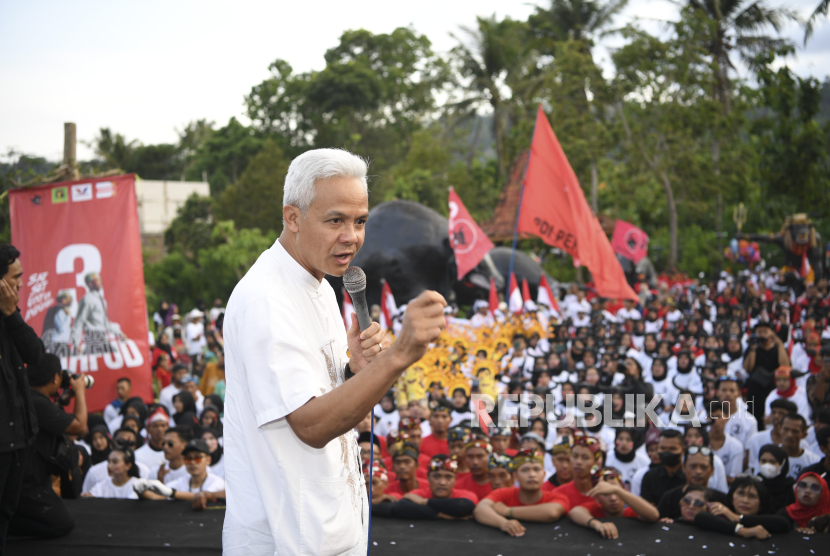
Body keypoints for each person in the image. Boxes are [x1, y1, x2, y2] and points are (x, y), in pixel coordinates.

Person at [222, 148, 446, 556]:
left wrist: (352, 371)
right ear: (293, 218)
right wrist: (398, 355)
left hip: (329, 526)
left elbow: (320, 394)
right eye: (335, 221)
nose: (352, 237)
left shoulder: (322, 285)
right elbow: (309, 426)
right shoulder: (266, 299)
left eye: (360, 221)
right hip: (287, 540)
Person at [8, 354, 85, 540]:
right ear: (55, 378)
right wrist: (81, 392)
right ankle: (8, 526)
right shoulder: (37, 402)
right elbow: (80, 427)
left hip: (23, 477)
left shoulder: (27, 397)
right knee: (62, 524)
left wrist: (63, 400)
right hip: (27, 484)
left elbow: (47, 417)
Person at [0, 244, 46, 552]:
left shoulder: (10, 315)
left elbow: (36, 354)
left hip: (19, 435)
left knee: (6, 511)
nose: (20, 284)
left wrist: (10, 314)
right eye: (15, 277)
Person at [474, 448, 570, 537]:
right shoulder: (503, 493)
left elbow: (551, 513)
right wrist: (502, 523)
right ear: (515, 476)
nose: (532, 475)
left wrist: (507, 511)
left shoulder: (558, 496)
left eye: (536, 469)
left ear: (544, 474)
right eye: (525, 470)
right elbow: (480, 509)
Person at [567, 468, 660, 539]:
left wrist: (617, 490)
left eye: (617, 493)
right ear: (597, 498)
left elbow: (654, 515)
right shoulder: (596, 509)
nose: (613, 498)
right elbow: (575, 512)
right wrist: (597, 524)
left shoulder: (632, 512)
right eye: (606, 494)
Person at [694, 476, 790, 539]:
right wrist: (742, 531)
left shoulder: (766, 520)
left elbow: (783, 523)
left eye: (752, 496)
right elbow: (700, 517)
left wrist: (737, 518)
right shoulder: (722, 513)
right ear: (732, 498)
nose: (745, 500)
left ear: (761, 505)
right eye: (740, 494)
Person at [391, 455, 478, 520]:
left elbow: (463, 506)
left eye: (448, 477)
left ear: (455, 479)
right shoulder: (419, 493)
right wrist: (441, 515)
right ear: (428, 477)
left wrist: (423, 501)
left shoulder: (465, 494)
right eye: (436, 477)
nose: (442, 483)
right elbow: (400, 507)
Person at [137, 439, 225, 502]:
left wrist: (171, 493)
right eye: (187, 458)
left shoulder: (218, 483)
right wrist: (140, 490)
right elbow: (156, 497)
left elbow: (202, 496)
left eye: (197, 458)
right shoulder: (180, 482)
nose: (192, 462)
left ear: (208, 460)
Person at [657, 445, 729, 519]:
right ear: (683, 468)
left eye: (703, 467)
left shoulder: (722, 501)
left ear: (712, 470)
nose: (698, 471)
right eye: (693, 466)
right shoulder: (669, 498)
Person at [743, 321, 790, 421]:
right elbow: (748, 369)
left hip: (773, 387)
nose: (762, 334)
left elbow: (785, 366)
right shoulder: (752, 349)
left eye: (765, 331)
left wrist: (779, 343)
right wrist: (752, 348)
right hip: (755, 389)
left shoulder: (778, 348)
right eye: (759, 332)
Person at [82, 428, 150, 494]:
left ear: (128, 466)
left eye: (115, 462)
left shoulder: (139, 485)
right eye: (109, 461)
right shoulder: (99, 486)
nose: (109, 465)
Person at [747, 398, 798, 473]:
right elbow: (754, 468)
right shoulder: (757, 438)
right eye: (773, 412)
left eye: (781, 413)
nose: (776, 416)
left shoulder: (799, 442)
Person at [640, 429, 688, 506]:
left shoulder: (689, 477)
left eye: (672, 449)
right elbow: (646, 509)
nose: (666, 452)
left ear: (683, 450)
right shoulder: (650, 477)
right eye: (662, 448)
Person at [552, 436, 602, 509]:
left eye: (585, 458)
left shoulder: (605, 494)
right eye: (575, 456)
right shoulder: (558, 493)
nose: (579, 462)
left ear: (596, 462)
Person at [706, 401, 745, 484]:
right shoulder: (700, 443)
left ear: (727, 418)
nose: (715, 420)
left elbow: (734, 479)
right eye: (711, 417)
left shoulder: (736, 446)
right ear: (707, 418)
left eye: (718, 416)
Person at [779, 413, 821, 479]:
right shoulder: (769, 456)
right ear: (780, 430)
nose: (789, 435)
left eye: (795, 431)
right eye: (786, 429)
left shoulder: (814, 461)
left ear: (804, 435)